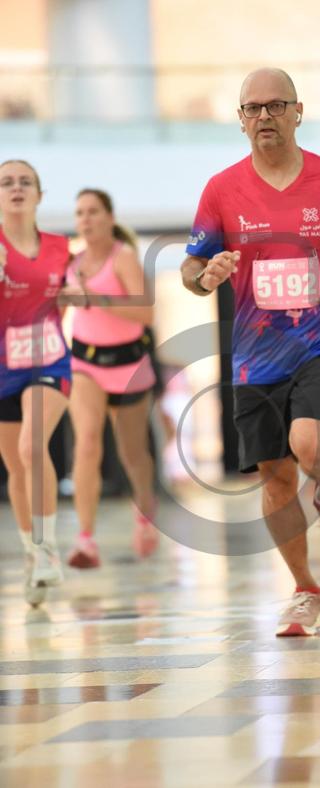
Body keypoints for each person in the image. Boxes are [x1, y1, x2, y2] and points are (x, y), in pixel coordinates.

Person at [181, 68, 320, 636]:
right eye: (253, 108)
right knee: (274, 477)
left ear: (299, 111)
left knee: (310, 443)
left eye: (276, 105)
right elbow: (191, 267)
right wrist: (205, 276)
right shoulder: (222, 189)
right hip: (256, 351)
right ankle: (304, 589)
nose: (264, 116)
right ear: (240, 120)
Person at [63, 189, 158, 569]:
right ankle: (85, 540)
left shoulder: (124, 257)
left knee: (132, 453)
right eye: (80, 213)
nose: (85, 219)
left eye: (93, 211)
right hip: (85, 362)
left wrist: (97, 299)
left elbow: (146, 313)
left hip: (128, 363)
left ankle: (145, 516)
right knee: (86, 444)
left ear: (109, 217)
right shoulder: (72, 263)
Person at [0, 160, 71, 606]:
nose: (17, 188)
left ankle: (47, 546)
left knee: (31, 447)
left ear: (39, 195)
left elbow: (79, 293)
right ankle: (32, 551)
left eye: (25, 182)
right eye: (7, 182)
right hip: (4, 367)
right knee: (16, 465)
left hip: (49, 361)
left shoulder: (61, 248)